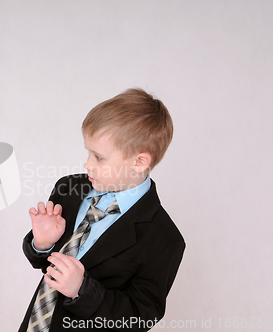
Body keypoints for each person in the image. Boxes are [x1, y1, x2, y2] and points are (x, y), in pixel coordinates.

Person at [19, 88, 185, 332]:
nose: (87, 163)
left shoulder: (164, 239)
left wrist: (82, 290)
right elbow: (45, 265)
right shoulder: (69, 189)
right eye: (88, 152)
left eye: (99, 157)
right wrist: (43, 245)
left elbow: (138, 318)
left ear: (139, 162)